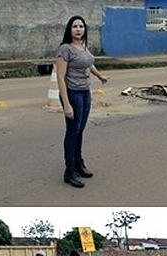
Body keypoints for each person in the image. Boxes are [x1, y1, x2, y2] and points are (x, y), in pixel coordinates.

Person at [56, 15, 109, 188]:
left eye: (81, 26)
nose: (78, 29)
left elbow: (88, 64)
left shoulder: (83, 47)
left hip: (85, 93)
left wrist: (100, 76)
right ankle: (69, 171)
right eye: (74, 26)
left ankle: (78, 163)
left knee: (80, 130)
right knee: (72, 132)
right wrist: (67, 103)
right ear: (69, 30)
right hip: (72, 94)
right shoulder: (65, 49)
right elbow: (60, 78)